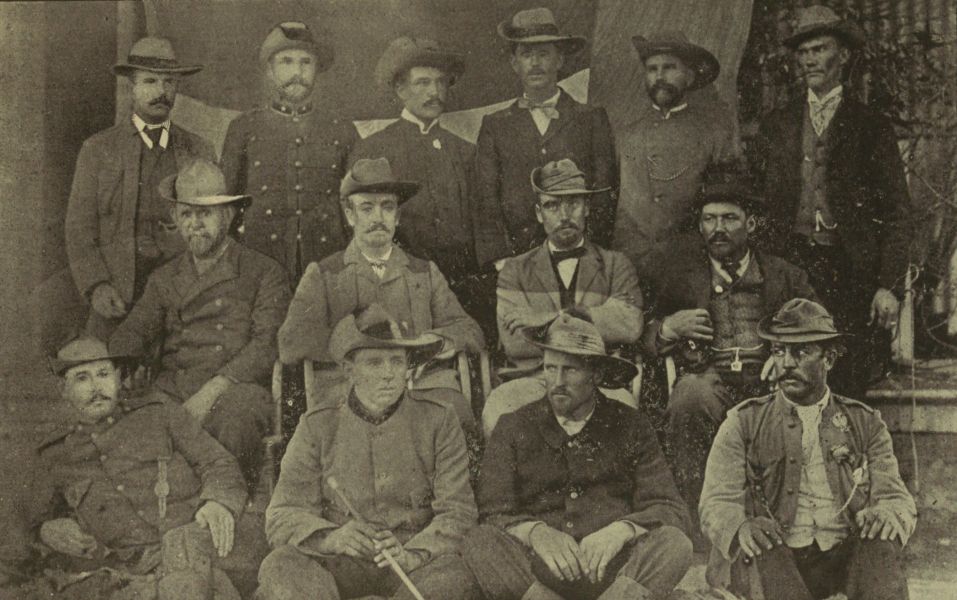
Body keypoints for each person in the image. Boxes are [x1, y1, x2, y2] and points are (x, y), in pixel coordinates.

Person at [640, 164, 817, 539]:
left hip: (770, 382)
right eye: (709, 219)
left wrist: (787, 354)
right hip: (710, 379)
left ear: (750, 224)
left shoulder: (785, 275)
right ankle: (698, 523)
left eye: (729, 218)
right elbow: (642, 329)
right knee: (690, 395)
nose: (717, 228)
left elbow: (819, 328)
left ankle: (780, 525)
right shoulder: (677, 274)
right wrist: (670, 327)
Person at [464, 311, 692, 600]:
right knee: (479, 541)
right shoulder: (513, 426)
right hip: (539, 574)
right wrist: (535, 532)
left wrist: (621, 531)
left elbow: (670, 509)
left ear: (596, 374)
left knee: (675, 544)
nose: (557, 381)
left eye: (570, 370)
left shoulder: (631, 426)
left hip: (613, 573)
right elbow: (492, 512)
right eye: (550, 368)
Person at [257, 304, 479, 600]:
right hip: (340, 567)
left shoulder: (440, 420)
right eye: (374, 363)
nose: (388, 374)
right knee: (281, 564)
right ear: (350, 371)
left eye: (396, 362)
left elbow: (459, 512)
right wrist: (331, 538)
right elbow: (282, 514)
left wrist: (413, 554)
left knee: (457, 576)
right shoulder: (317, 425)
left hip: (413, 567)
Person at [700, 298, 917, 599]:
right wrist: (740, 527)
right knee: (760, 541)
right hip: (776, 560)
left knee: (880, 541)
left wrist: (886, 513)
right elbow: (716, 502)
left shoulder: (865, 423)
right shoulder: (743, 423)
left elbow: (895, 497)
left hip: (841, 560)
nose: (787, 363)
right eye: (779, 351)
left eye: (801, 352)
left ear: (829, 359)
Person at [753, 5, 913, 395]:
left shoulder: (871, 126)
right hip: (790, 264)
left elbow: (897, 212)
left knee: (845, 375)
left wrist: (889, 286)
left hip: (851, 271)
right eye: (803, 52)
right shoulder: (777, 124)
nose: (809, 59)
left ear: (843, 55)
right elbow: (757, 204)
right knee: (789, 373)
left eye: (819, 49)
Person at [16, 336, 247, 599]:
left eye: (103, 374)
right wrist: (45, 531)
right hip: (130, 574)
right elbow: (30, 523)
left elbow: (218, 462)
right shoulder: (55, 455)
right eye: (82, 378)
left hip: (194, 546)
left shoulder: (158, 413)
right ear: (64, 389)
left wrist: (218, 501)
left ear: (117, 378)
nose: (96, 387)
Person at [109, 160, 290, 488]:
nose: (194, 224)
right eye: (186, 214)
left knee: (239, 415)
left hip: (234, 390)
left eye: (204, 214)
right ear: (176, 218)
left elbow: (267, 344)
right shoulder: (165, 277)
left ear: (228, 215)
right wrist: (116, 362)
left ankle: (226, 503)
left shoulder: (264, 272)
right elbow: (133, 331)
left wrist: (213, 390)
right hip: (171, 390)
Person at [277, 158, 484, 426]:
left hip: (421, 386)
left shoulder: (423, 272)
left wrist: (436, 341)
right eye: (367, 208)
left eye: (387, 207)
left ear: (397, 217)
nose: (378, 218)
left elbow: (469, 330)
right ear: (350, 216)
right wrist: (359, 350)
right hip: (349, 386)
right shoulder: (324, 273)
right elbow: (291, 340)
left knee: (454, 413)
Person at [66, 37, 214, 341]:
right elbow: (79, 228)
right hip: (117, 298)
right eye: (150, 81)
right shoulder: (98, 149)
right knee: (101, 362)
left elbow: (215, 228)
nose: (161, 91)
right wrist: (97, 286)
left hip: (182, 303)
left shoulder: (199, 150)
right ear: (131, 87)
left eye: (169, 82)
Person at [485, 159, 643, 434]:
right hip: (534, 381)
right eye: (552, 205)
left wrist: (550, 319)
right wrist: (593, 322)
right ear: (539, 213)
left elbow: (630, 325)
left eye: (573, 203)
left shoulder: (616, 264)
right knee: (498, 411)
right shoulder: (515, 270)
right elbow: (516, 343)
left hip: (597, 382)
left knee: (624, 413)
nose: (564, 214)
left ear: (587, 208)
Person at [473, 7, 617, 269]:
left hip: (579, 254)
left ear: (559, 60)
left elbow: (603, 193)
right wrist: (501, 259)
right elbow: (486, 199)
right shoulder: (495, 125)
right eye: (526, 55)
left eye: (543, 54)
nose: (535, 63)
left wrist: (592, 252)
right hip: (517, 259)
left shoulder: (591, 118)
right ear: (514, 64)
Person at [221, 21, 357, 281]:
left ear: (317, 69)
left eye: (306, 62)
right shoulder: (243, 128)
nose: (297, 72)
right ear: (270, 70)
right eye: (286, 62)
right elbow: (225, 208)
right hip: (258, 267)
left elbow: (360, 206)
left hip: (329, 266)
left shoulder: (343, 130)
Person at [348, 36, 477, 297]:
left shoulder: (465, 151)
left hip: (463, 284)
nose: (434, 92)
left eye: (440, 82)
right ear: (401, 89)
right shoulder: (373, 148)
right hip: (399, 284)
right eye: (423, 83)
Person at [613, 31, 736, 281]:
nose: (659, 77)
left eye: (669, 68)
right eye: (652, 69)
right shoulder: (625, 136)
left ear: (689, 76)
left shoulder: (714, 133)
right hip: (628, 263)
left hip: (689, 267)